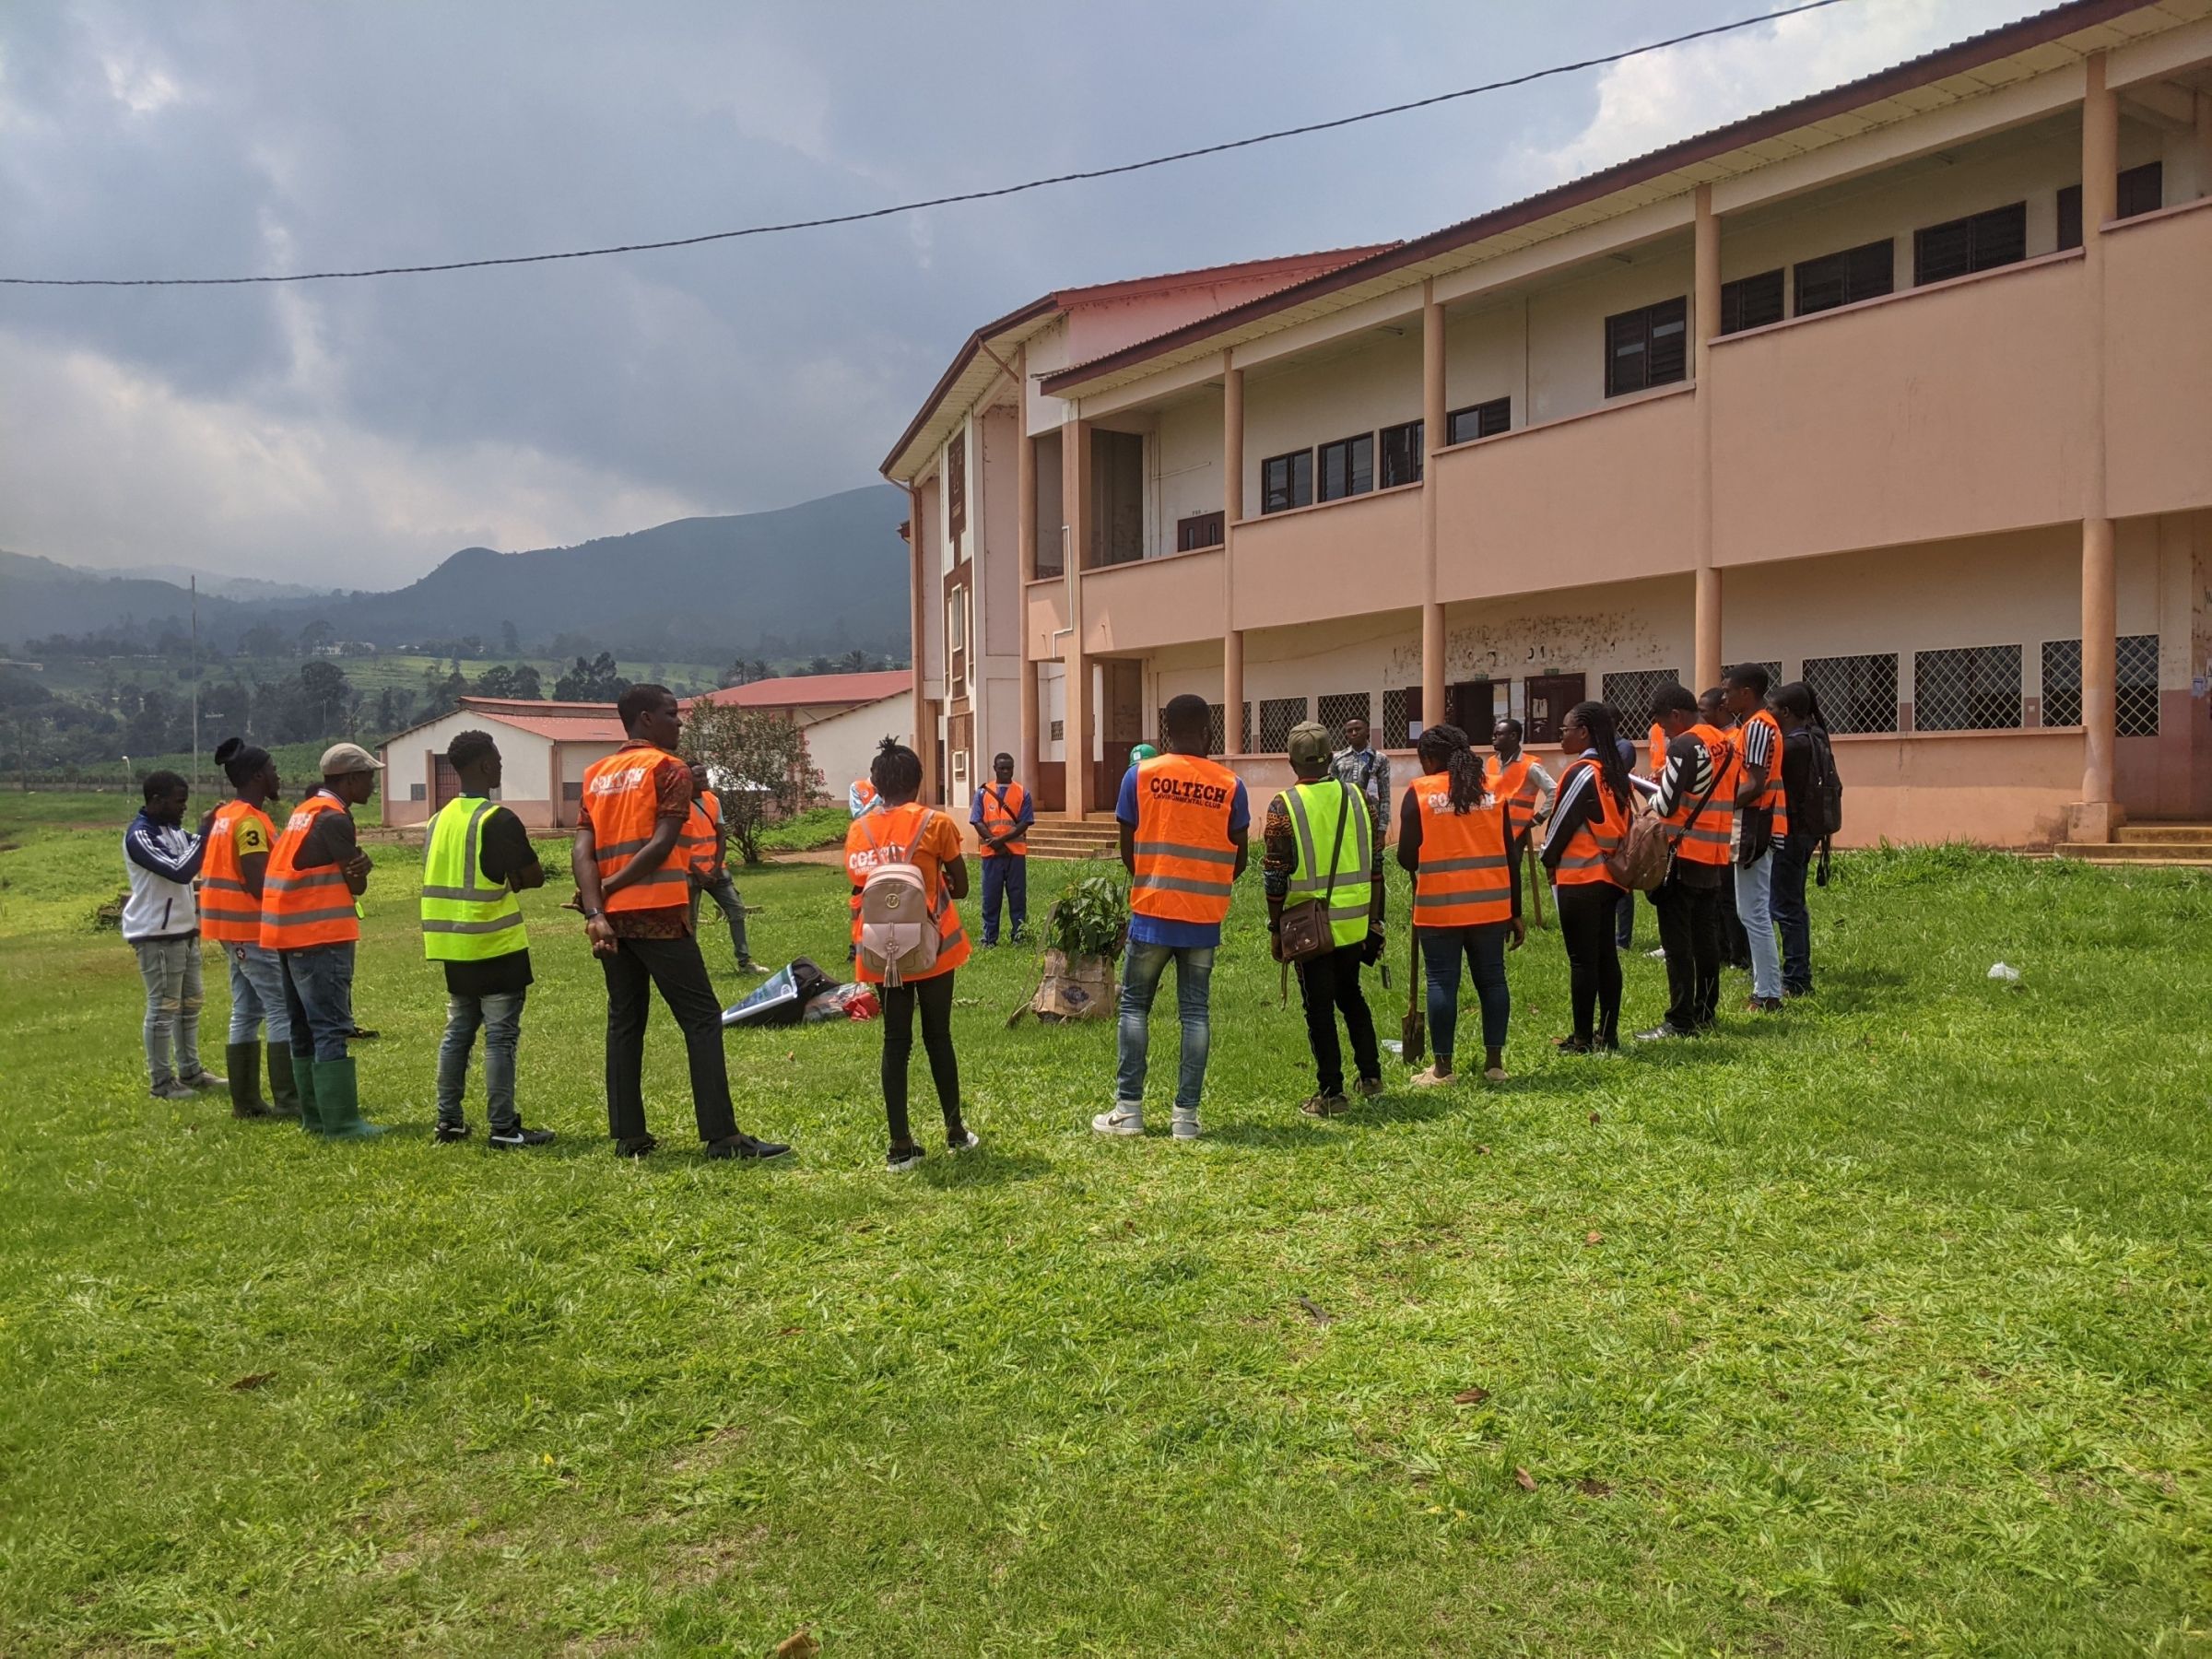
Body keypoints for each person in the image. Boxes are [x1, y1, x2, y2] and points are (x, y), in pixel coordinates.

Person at [574, 685, 791, 1161]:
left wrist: (596, 908)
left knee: (625, 1020)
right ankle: (722, 1137)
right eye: (673, 715)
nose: (680, 723)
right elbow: (661, 843)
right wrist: (609, 891)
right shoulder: (668, 769)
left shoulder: (596, 773)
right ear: (646, 719)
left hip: (611, 920)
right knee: (701, 1019)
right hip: (657, 913)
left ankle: (629, 1135)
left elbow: (582, 850)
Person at [1098, 692, 1249, 1140]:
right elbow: (1238, 860)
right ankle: (1186, 1118)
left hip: (1153, 911)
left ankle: (1129, 1111)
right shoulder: (1230, 785)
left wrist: (1155, 877)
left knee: (1134, 1006)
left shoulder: (1139, 776)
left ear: (1165, 732)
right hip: (1203, 917)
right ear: (1209, 732)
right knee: (1196, 1013)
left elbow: (1128, 850)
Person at [847, 738, 979, 1171]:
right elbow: (959, 887)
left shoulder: (857, 831)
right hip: (933, 947)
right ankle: (956, 1131)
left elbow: (859, 885)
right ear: (919, 781)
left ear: (876, 784)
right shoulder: (936, 824)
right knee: (938, 1037)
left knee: (894, 1043)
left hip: (880, 952)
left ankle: (900, 1145)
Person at [422, 731, 555, 1149]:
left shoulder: (436, 820)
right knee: (500, 1036)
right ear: (483, 765)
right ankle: (503, 1127)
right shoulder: (496, 819)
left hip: (452, 946)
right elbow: (532, 876)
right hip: (494, 943)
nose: (501, 766)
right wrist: (516, 877)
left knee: (458, 1031)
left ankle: (449, 1122)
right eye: (497, 759)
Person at [261, 744, 382, 1136]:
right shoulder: (334, 818)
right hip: (320, 934)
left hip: (285, 930)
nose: (373, 784)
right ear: (349, 779)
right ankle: (342, 1122)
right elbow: (355, 883)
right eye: (368, 776)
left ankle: (313, 1117)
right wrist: (363, 868)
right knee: (329, 1025)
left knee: (301, 1025)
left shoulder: (304, 812)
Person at [1265, 721, 1383, 1113]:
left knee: (1318, 1008)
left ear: (1291, 762)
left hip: (1310, 930)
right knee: (1351, 996)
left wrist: (1275, 927)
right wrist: (1376, 920)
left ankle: (1331, 1093)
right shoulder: (1359, 798)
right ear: (1332, 757)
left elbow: (1275, 874)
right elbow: (1377, 864)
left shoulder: (1284, 805)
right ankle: (1371, 1077)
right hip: (1356, 923)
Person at [1397, 724, 1522, 1086]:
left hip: (1440, 908)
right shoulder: (1494, 789)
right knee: (1493, 981)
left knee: (1441, 982)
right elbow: (1510, 854)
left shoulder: (1420, 793)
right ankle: (1495, 1065)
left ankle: (1443, 1070)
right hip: (1491, 907)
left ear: (1431, 758)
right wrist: (1515, 910)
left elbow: (1406, 857)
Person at [201, 739, 297, 1120]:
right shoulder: (250, 823)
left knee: (246, 1008)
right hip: (250, 927)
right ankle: (289, 1100)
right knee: (280, 1008)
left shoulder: (226, 815)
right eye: (273, 770)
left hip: (226, 927)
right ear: (257, 776)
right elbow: (260, 883)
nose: (278, 776)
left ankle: (247, 1102)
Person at [122, 771, 225, 1101]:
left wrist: (215, 828)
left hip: (185, 932)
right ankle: (161, 1083)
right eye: (179, 802)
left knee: (190, 1004)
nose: (184, 808)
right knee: (164, 1008)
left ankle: (191, 1071)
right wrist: (207, 832)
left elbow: (198, 852)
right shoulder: (140, 837)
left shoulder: (176, 832)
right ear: (157, 800)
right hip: (157, 935)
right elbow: (180, 870)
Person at [1637, 686, 1733, 1041]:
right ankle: (1706, 1012)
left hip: (1683, 853)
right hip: (1715, 853)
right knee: (1706, 939)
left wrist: (1649, 790)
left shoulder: (1684, 746)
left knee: (1678, 945)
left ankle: (1680, 1020)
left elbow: (1666, 806)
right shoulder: (1724, 742)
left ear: (1676, 715)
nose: (1663, 732)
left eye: (1663, 724)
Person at [1539, 701, 1632, 1053]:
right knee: (1606, 956)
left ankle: (1581, 1038)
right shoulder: (1613, 771)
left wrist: (1547, 859)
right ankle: (1607, 1035)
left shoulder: (1582, 772)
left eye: (1565, 729)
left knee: (1582, 961)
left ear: (1584, 732)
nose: (1561, 735)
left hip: (1580, 879)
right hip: (1609, 877)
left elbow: (1560, 825)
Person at [1724, 665, 1787, 1013]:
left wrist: (1718, 807)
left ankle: (1768, 993)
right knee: (1749, 910)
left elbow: (1755, 784)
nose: (1725, 696)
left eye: (1729, 690)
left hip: (1757, 824)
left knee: (1754, 911)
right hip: (1755, 823)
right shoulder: (1752, 726)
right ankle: (1765, 986)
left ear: (1746, 693)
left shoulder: (1759, 726)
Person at [1770, 682, 1825, 998]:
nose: (1769, 715)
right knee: (1791, 904)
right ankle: (1794, 973)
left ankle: (1796, 979)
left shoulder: (1793, 746)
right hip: (1804, 832)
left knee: (1785, 906)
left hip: (1790, 833)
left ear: (1786, 712)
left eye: (1773, 709)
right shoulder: (1814, 737)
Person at [686, 761, 764, 974]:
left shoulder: (712, 800)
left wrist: (714, 868)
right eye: (699, 777)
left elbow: (721, 835)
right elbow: (675, 844)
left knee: (736, 909)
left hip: (716, 870)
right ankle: (692, 968)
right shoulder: (678, 804)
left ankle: (745, 961)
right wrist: (699, 872)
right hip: (690, 872)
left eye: (705, 775)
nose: (704, 780)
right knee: (689, 921)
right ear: (687, 779)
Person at [1700, 686, 1752, 971]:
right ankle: (1721, 950)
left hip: (1730, 825)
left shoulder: (1734, 739)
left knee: (1730, 896)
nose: (1701, 716)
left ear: (1721, 710)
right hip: (1714, 826)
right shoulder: (1713, 739)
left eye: (1704, 711)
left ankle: (1739, 955)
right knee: (1716, 894)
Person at [970, 751, 1033, 947]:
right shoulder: (982, 793)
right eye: (1002, 768)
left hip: (1015, 855)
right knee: (990, 897)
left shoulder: (1023, 793)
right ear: (995, 769)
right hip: (991, 855)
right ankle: (989, 938)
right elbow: (977, 820)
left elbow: (1025, 822)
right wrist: (994, 842)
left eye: (1010, 768)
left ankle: (1019, 936)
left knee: (1017, 897)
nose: (1006, 771)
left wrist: (1002, 840)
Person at [1331, 717, 1393, 843]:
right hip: (1345, 819)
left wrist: (1382, 831)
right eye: (1350, 731)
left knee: (1372, 860)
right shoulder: (1337, 759)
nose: (1354, 733)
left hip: (1371, 819)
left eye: (1358, 729)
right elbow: (1332, 792)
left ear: (1367, 731)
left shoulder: (1379, 759)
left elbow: (1384, 796)